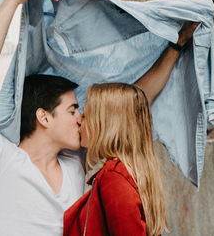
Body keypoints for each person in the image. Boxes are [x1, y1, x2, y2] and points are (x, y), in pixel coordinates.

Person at [0, 0, 198, 235]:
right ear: (44, 117)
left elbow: (130, 105)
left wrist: (177, 46)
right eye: (73, 110)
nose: (81, 117)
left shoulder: (74, 163)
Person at [64, 83, 167, 236]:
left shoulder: (113, 176)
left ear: (104, 125)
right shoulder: (127, 172)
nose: (79, 121)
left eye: (85, 115)